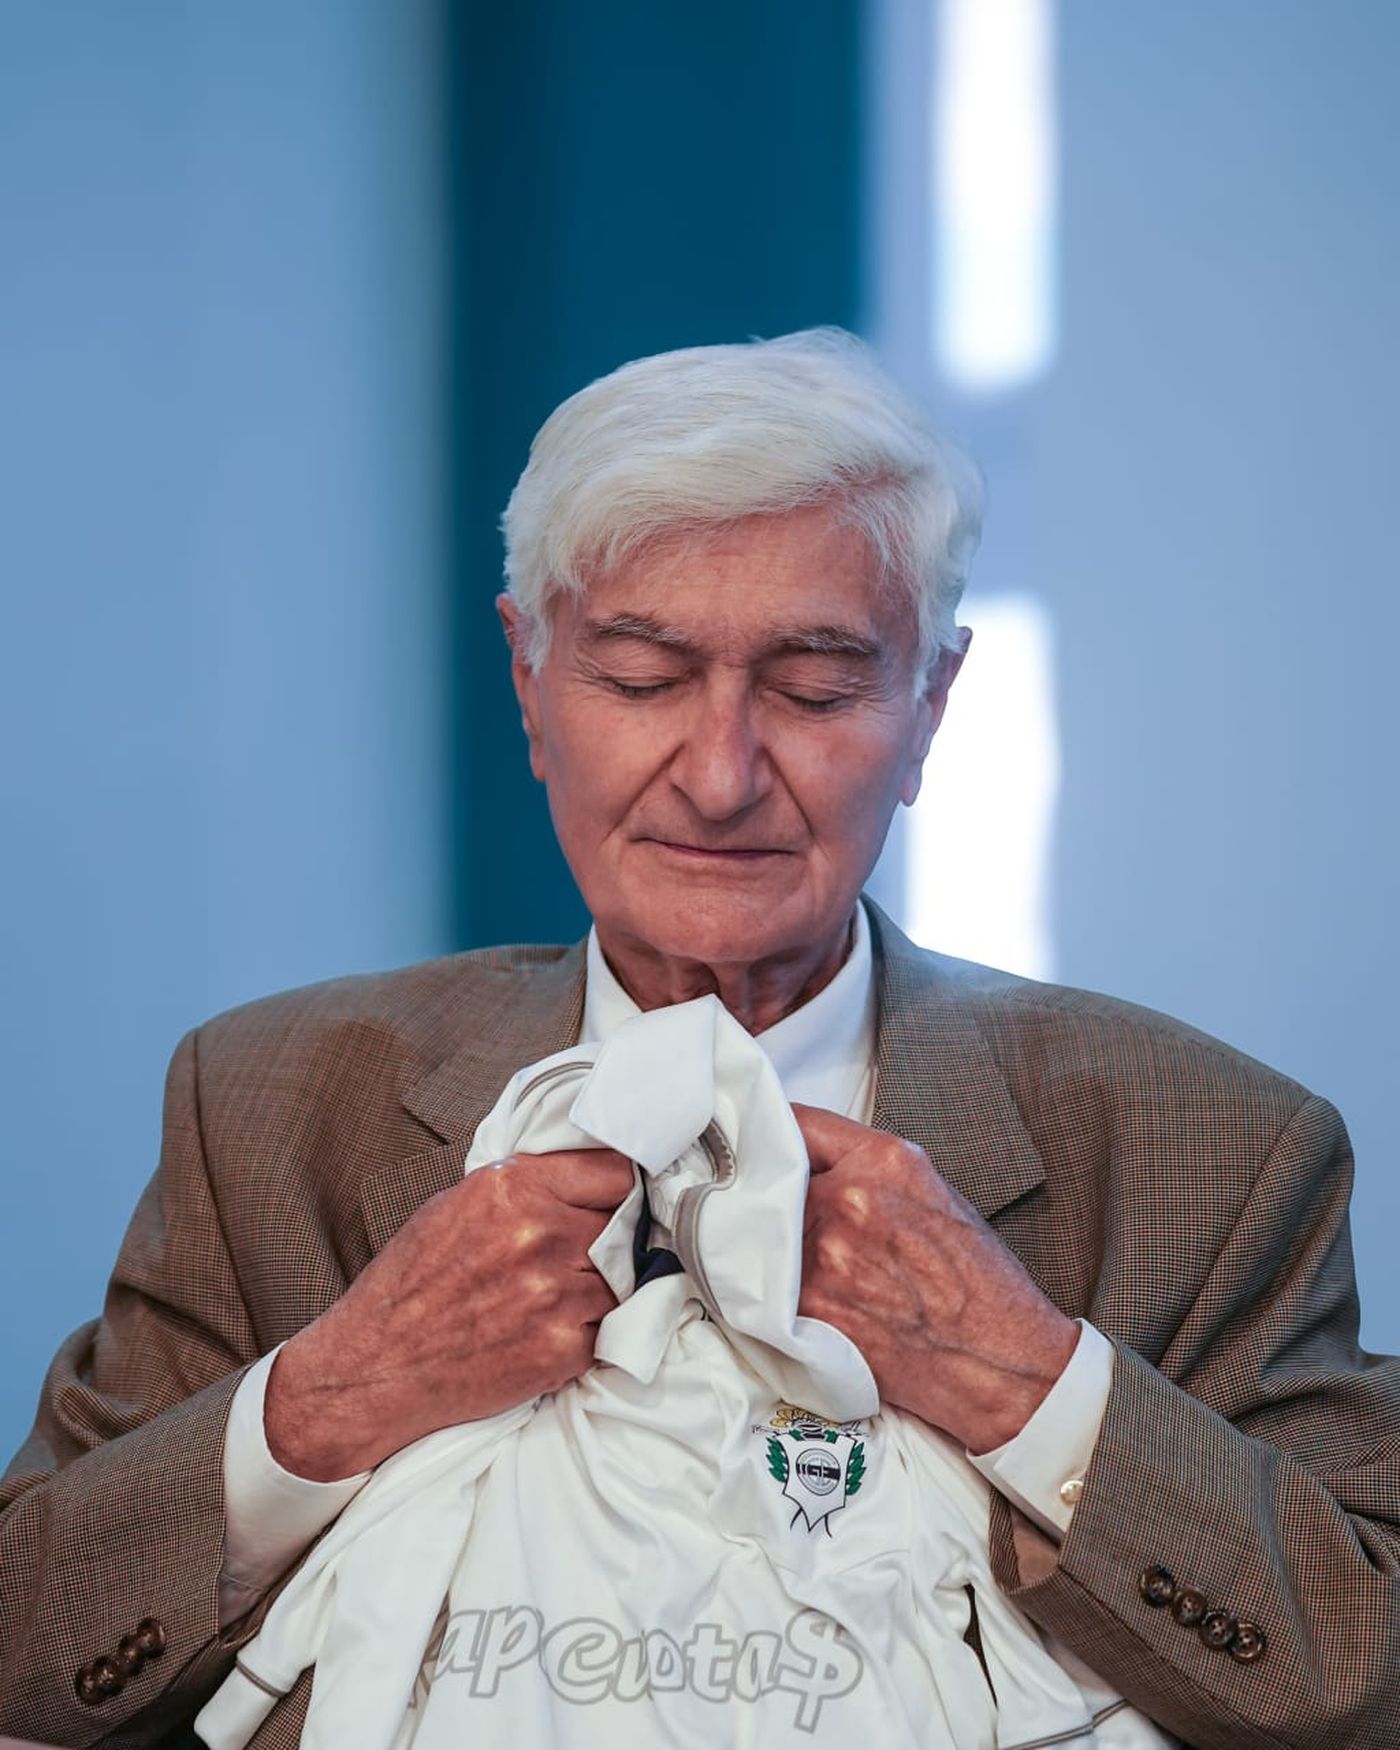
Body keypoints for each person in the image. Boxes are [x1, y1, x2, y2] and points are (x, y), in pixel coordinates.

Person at [2, 329, 1397, 1749]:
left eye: (815, 689)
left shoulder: (1211, 1149)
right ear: (529, 685)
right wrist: (334, 1395)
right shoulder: (272, 1109)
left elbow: (1371, 1671)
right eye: (641, 678)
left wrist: (1026, 1380)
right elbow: (22, 1644)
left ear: (929, 708)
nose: (723, 777)